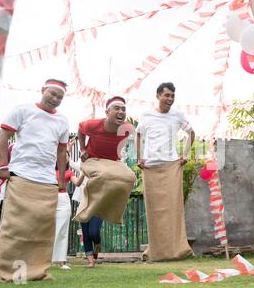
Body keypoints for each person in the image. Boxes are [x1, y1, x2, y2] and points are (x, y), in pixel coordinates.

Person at [0, 79, 69, 283]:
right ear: (43, 90)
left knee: (42, 229)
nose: (55, 99)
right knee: (15, 226)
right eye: (52, 94)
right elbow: (4, 136)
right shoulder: (23, 110)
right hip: (20, 174)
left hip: (47, 180)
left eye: (60, 97)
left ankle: (37, 271)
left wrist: (61, 181)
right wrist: (3, 165)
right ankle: (5, 271)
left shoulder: (62, 120)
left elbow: (62, 151)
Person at [136, 82, 195, 262]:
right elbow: (138, 134)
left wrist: (184, 156)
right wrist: (139, 158)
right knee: (154, 210)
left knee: (173, 208)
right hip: (150, 167)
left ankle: (177, 250)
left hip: (171, 166)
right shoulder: (147, 115)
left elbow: (191, 133)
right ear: (158, 96)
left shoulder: (177, 115)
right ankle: (157, 252)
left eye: (172, 96)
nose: (170, 98)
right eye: (166, 95)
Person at [73, 96, 136, 226]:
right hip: (92, 159)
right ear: (107, 112)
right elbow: (80, 129)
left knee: (130, 177)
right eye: (116, 108)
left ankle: (113, 213)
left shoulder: (127, 128)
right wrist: (83, 149)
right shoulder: (93, 125)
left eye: (123, 109)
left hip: (112, 162)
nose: (121, 112)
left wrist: (118, 156)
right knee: (103, 175)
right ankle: (86, 207)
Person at [68, 138, 103, 268]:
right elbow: (69, 162)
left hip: (97, 202)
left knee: (93, 232)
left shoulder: (101, 165)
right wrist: (69, 147)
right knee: (85, 232)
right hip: (82, 202)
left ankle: (98, 243)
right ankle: (90, 260)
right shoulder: (81, 165)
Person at [52, 150, 84, 270]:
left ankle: (62, 261)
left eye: (67, 156)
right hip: (50, 199)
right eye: (63, 155)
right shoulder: (49, 170)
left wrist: (84, 173)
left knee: (63, 230)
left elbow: (78, 183)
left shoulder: (69, 172)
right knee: (49, 230)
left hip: (64, 200)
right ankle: (46, 259)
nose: (65, 157)